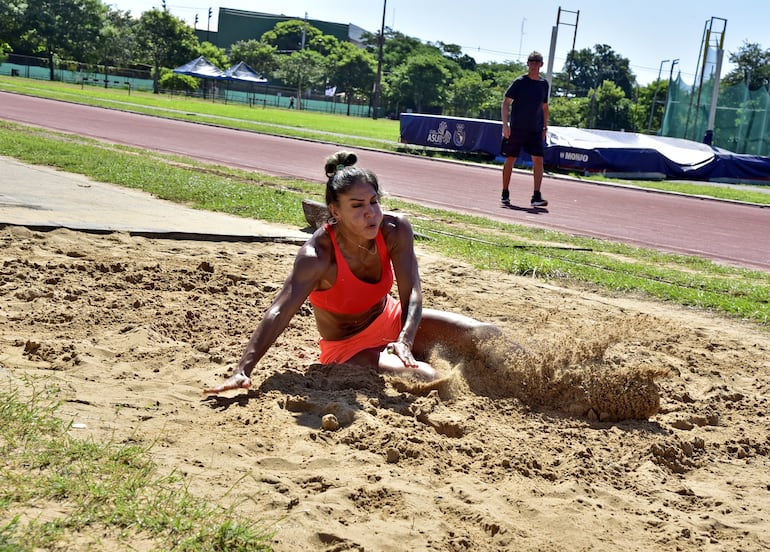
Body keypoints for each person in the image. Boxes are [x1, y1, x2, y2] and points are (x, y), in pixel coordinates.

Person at [204, 151, 502, 394]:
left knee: (488, 336)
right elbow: (278, 311)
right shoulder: (317, 256)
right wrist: (243, 369)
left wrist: (405, 338)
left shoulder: (395, 229)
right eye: (357, 206)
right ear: (335, 211)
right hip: (348, 347)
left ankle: (539, 384)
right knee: (428, 376)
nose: (370, 212)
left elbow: (411, 293)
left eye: (374, 202)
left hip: (392, 320)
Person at [500, 50, 550, 207]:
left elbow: (545, 107)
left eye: (537, 62)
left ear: (541, 65)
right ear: (527, 64)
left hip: (535, 129)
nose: (534, 65)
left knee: (538, 160)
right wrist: (505, 124)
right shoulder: (519, 82)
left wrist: (545, 127)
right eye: (531, 62)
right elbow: (506, 103)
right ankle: (505, 192)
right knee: (510, 159)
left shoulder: (543, 84)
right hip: (517, 128)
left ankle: (536, 196)